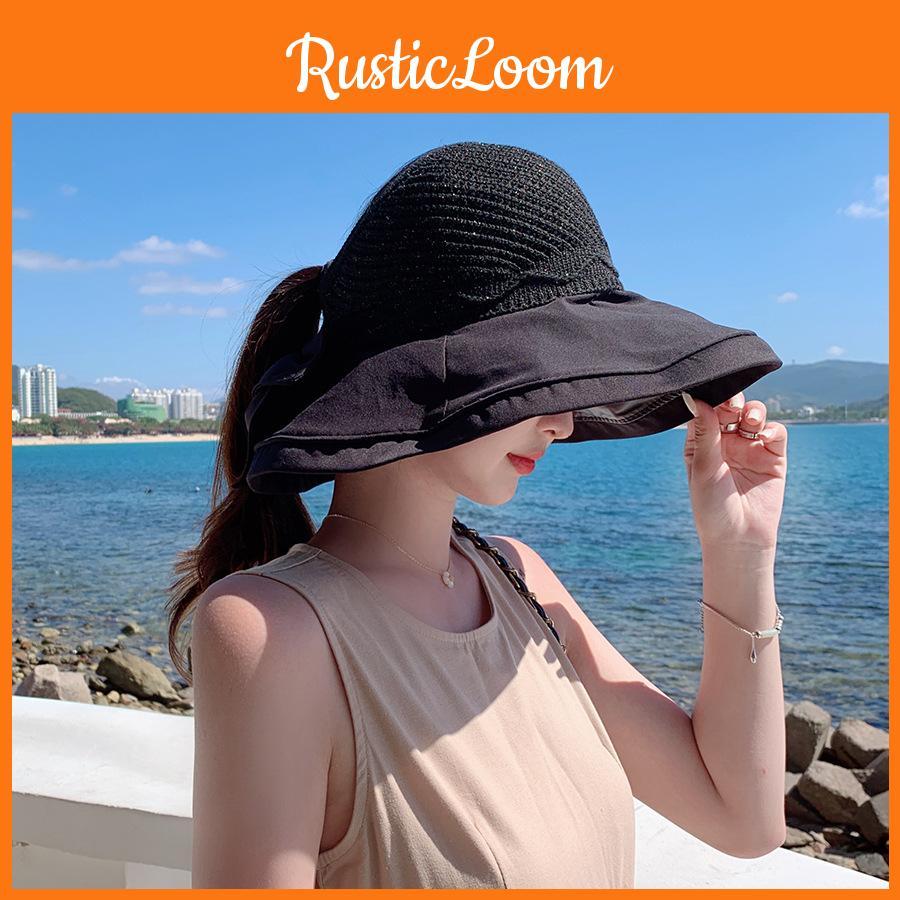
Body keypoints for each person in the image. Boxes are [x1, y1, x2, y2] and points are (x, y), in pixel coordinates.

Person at [166, 141, 788, 888]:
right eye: (536, 378)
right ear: (430, 371)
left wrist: (739, 550)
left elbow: (742, 819)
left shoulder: (522, 581)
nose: (563, 421)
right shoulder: (272, 631)